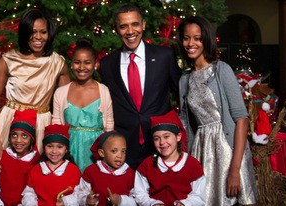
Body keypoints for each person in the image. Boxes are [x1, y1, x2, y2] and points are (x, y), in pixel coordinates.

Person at [0, 8, 70, 204]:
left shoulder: (58, 62)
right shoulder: (8, 60)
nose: (38, 37)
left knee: (37, 186)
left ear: (50, 34)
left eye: (43, 32)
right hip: (9, 124)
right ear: (24, 33)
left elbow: (65, 105)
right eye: (32, 32)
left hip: (41, 124)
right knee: (2, 181)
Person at [177, 16, 257, 205]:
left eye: (197, 38)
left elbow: (241, 119)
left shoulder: (221, 70)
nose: (191, 43)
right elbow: (185, 123)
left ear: (206, 40)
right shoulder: (184, 80)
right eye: (186, 38)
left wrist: (235, 170)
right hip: (201, 150)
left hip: (228, 149)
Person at [99, 4, 183, 169]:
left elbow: (181, 93)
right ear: (116, 29)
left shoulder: (164, 56)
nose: (130, 31)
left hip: (160, 143)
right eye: (123, 26)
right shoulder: (107, 64)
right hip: (124, 146)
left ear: (143, 24)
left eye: (135, 24)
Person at [52, 38, 114, 172]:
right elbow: (56, 127)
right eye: (77, 62)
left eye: (87, 63)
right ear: (71, 64)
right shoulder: (61, 92)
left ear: (95, 64)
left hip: (96, 153)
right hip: (69, 151)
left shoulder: (103, 90)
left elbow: (109, 127)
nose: (81, 67)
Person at [134, 110, 206, 206]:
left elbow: (199, 196)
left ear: (178, 137)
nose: (162, 142)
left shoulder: (192, 164)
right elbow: (139, 194)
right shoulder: (147, 165)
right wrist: (152, 203)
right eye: (156, 138)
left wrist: (184, 204)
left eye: (166, 136)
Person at [61, 131, 136, 205]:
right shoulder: (91, 171)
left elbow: (137, 199)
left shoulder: (130, 174)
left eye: (123, 151)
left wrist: (121, 200)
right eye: (114, 151)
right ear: (102, 153)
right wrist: (86, 199)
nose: (120, 155)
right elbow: (79, 193)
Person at [0, 110, 40, 206]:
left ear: (31, 139)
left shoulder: (36, 161)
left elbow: (35, 191)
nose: (18, 140)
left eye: (24, 136)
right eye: (14, 135)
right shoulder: (2, 156)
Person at [21, 124, 81, 206]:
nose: (54, 151)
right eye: (50, 146)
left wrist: (65, 201)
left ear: (66, 149)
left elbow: (79, 194)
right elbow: (29, 192)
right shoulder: (36, 169)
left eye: (59, 147)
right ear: (44, 148)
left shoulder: (73, 170)